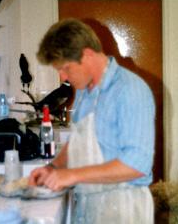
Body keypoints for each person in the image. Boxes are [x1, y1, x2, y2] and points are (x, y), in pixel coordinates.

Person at [28, 18, 155, 223]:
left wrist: (72, 175)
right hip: (91, 205)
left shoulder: (130, 90)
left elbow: (137, 164)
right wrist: (53, 167)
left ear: (87, 54)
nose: (62, 77)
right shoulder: (84, 92)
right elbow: (78, 142)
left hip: (123, 209)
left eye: (66, 68)